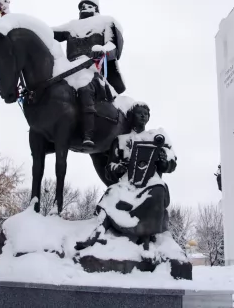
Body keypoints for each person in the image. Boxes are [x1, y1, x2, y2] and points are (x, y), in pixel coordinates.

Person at [75, 103, 177, 251]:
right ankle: (97, 233)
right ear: (130, 117)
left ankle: (146, 241)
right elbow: (110, 168)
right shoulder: (121, 140)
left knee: (158, 190)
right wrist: (118, 168)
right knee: (111, 192)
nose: (143, 116)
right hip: (127, 184)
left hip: (150, 182)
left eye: (145, 113)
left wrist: (164, 160)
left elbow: (171, 163)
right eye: (139, 113)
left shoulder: (156, 137)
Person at [53, 0, 125, 147]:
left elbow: (113, 47)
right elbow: (49, 33)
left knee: (85, 88)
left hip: (92, 68)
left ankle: (88, 133)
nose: (85, 7)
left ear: (96, 7)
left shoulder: (106, 22)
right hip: (69, 70)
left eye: (89, 4)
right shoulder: (71, 26)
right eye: (82, 5)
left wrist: (102, 50)